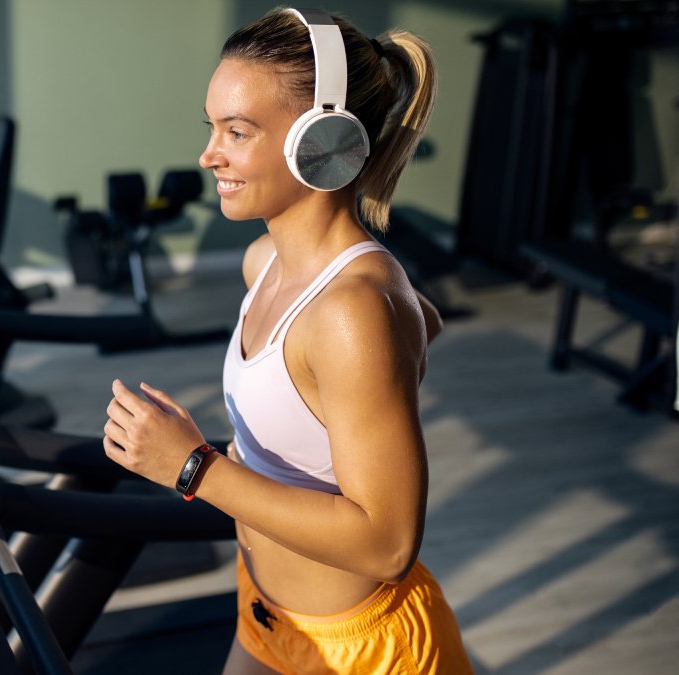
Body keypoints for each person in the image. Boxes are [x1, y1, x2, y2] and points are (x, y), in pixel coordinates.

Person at [103, 6, 472, 673]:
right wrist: (393, 344)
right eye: (211, 127)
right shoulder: (266, 265)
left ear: (321, 141)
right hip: (267, 612)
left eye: (236, 132)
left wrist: (193, 467)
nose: (208, 154)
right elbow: (417, 317)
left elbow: (388, 543)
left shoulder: (351, 312)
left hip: (359, 649)